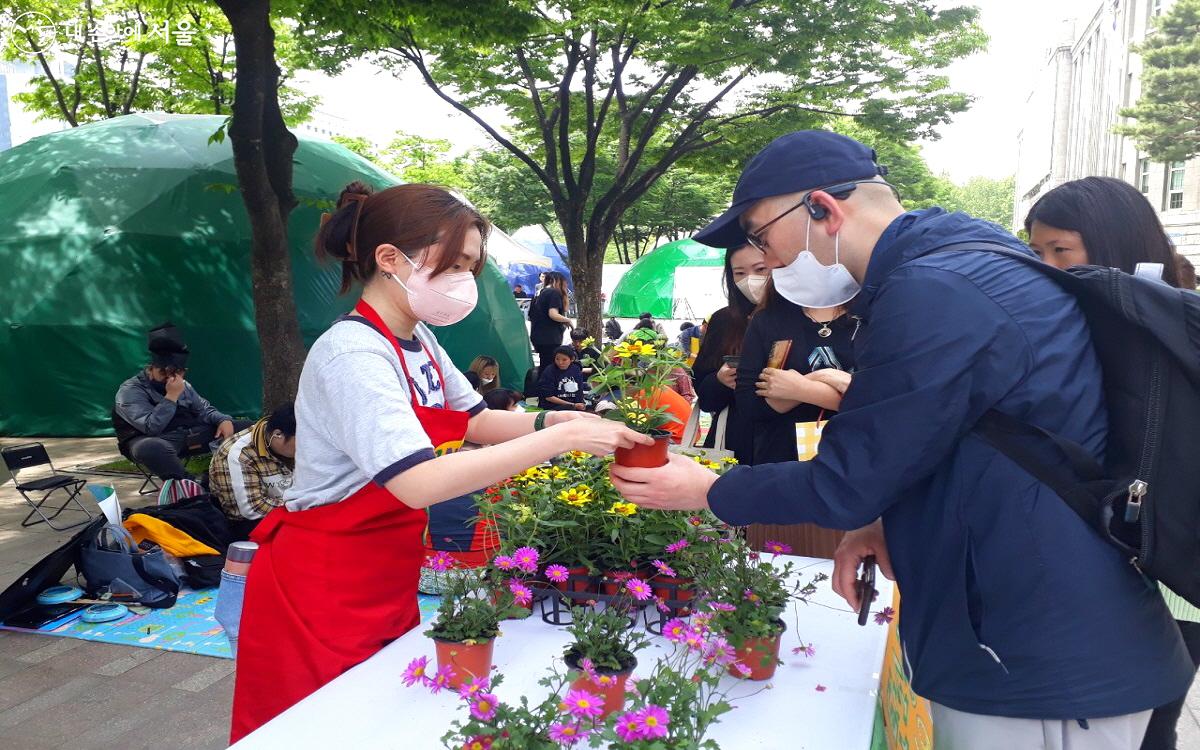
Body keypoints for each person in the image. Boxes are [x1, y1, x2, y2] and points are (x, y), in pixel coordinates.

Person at [609, 130, 1191, 749]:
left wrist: (711, 489)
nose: (768, 261)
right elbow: (954, 437)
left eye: (760, 236)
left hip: (1035, 658)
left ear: (822, 210)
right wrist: (885, 521)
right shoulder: (963, 262)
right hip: (1035, 631)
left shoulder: (936, 289)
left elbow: (846, 481)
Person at [230, 182, 649, 742]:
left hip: (385, 567)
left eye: (472, 267)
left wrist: (567, 422)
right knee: (323, 727)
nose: (465, 281)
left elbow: (476, 420)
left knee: (383, 714)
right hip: (323, 582)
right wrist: (559, 442)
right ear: (389, 259)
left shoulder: (418, 338)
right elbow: (418, 483)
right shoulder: (355, 352)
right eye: (456, 263)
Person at [1026, 176, 1200, 750]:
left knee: (1148, 726)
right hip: (1127, 549)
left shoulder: (1156, 321)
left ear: (1112, 241)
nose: (1048, 266)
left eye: (1061, 250)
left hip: (1169, 560)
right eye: (1037, 251)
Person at [114, 323, 250, 481]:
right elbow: (151, 427)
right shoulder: (130, 390)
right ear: (151, 368)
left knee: (250, 428)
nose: (169, 377)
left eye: (176, 372)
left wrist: (223, 419)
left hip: (186, 435)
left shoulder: (183, 385)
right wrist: (171, 396)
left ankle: (216, 479)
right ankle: (191, 486)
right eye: (163, 372)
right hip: (151, 440)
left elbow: (204, 409)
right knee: (153, 448)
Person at [690, 245, 769, 462]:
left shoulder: (804, 316)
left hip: (791, 441)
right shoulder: (724, 320)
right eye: (740, 273)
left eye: (761, 269)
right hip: (735, 440)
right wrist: (719, 380)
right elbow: (704, 396)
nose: (750, 280)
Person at [209, 403, 297, 540]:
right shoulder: (239, 454)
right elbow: (252, 509)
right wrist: (302, 505)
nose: (306, 447)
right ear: (277, 434)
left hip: (289, 509)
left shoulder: (287, 445)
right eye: (301, 442)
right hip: (248, 524)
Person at [529, 271, 573, 373]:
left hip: (538, 335)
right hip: (550, 337)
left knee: (544, 365)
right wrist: (568, 320)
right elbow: (553, 314)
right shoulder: (553, 293)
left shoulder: (540, 293)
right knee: (550, 368)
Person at [536, 345, 589, 411]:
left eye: (564, 360)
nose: (560, 363)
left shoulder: (576, 370)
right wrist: (572, 405)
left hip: (573, 406)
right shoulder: (549, 371)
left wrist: (580, 404)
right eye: (557, 359)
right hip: (553, 407)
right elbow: (548, 397)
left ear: (572, 359)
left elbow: (579, 392)